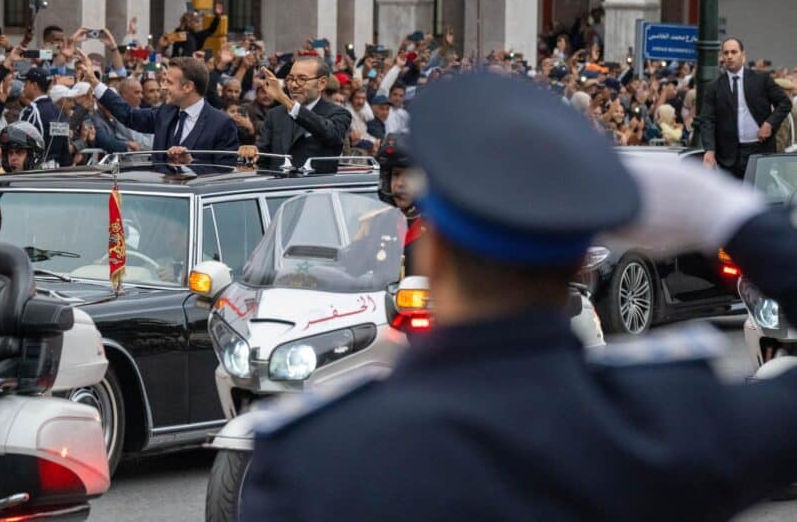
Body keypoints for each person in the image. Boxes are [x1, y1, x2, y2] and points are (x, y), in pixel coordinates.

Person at [240, 70, 797, 521]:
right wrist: (729, 215)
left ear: (431, 256)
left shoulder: (312, 461)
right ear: (581, 260)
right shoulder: (670, 425)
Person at [83, 54, 239, 165]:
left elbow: (223, 173)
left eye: (169, 82)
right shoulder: (165, 112)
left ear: (188, 87)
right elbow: (129, 115)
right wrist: (94, 82)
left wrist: (191, 164)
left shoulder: (222, 124)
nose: (163, 87)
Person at [697, 37, 792, 178]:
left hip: (759, 150)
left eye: (734, 52)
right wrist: (709, 150)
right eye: (726, 53)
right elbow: (707, 120)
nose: (729, 56)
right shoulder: (714, 87)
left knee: (758, 196)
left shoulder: (761, 79)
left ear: (743, 55)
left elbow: (785, 103)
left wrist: (769, 124)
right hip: (728, 155)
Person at [250, 56, 351, 173]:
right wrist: (251, 152)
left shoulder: (339, 113)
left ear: (321, 84)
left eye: (302, 79)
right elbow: (263, 156)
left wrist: (284, 99)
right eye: (290, 79)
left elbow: (328, 133)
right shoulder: (275, 114)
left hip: (316, 188)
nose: (293, 85)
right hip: (277, 188)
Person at [376, 133, 425, 276]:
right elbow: (350, 268)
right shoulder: (377, 224)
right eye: (396, 175)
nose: (400, 184)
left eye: (408, 176)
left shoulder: (440, 229)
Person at [18, 67, 71, 168]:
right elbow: (65, 149)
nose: (24, 87)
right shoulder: (58, 111)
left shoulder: (33, 111)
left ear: (34, 85)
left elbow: (23, 144)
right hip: (57, 169)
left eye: (26, 83)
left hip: (37, 170)